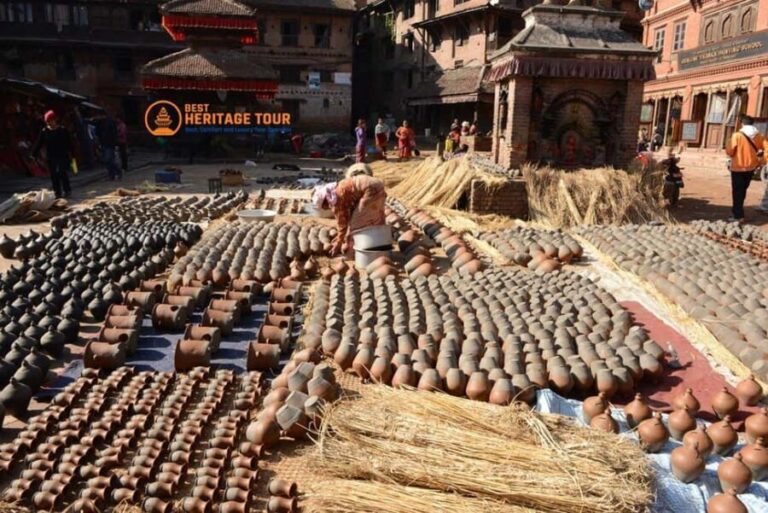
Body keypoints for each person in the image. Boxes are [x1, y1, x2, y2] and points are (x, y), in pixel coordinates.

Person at [311, 163, 387, 256]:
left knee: (357, 223)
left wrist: (339, 242)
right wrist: (341, 237)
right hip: (376, 183)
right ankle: (379, 244)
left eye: (325, 206)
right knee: (375, 217)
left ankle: (351, 253)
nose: (327, 208)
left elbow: (342, 224)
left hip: (370, 188)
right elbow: (349, 212)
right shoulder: (338, 188)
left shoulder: (336, 199)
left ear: (325, 201)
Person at [726, 115, 767, 221]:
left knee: (737, 191)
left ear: (742, 124)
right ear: (753, 124)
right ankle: (738, 211)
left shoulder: (737, 136)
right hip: (751, 167)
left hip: (738, 167)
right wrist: (762, 161)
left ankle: (738, 215)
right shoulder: (759, 136)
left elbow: (730, 151)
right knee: (742, 190)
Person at [32, 110, 73, 199]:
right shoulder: (44, 131)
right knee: (54, 175)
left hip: (62, 155)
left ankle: (67, 190)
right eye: (48, 121)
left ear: (55, 120)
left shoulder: (62, 130)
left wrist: (72, 154)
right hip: (51, 156)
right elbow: (39, 143)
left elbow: (69, 143)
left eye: (52, 120)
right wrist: (33, 154)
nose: (50, 123)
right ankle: (57, 192)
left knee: (62, 173)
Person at [96, 112, 122, 180]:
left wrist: (115, 143)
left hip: (110, 144)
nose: (98, 117)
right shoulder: (99, 123)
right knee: (107, 161)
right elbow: (97, 133)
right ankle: (112, 175)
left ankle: (117, 171)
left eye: (99, 115)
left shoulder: (110, 122)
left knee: (108, 159)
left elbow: (114, 133)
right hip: (103, 144)